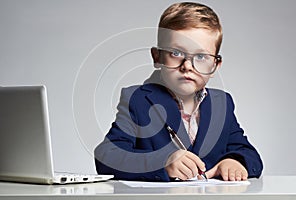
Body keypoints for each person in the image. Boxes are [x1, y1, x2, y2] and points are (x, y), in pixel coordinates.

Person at [94, 2, 263, 182]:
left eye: (201, 56)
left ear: (214, 66)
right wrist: (162, 162)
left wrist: (235, 161)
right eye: (176, 53)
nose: (187, 66)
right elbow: (107, 156)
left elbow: (249, 154)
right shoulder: (137, 100)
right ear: (157, 57)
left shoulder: (222, 103)